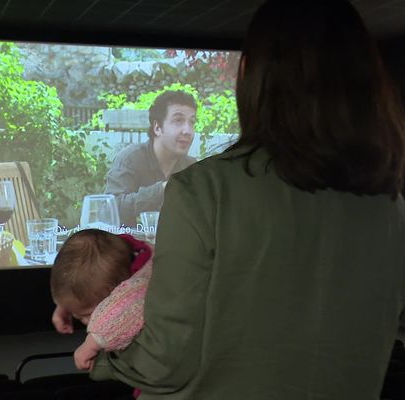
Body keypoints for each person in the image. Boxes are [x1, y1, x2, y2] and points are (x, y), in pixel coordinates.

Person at [88, 1, 405, 399]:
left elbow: (164, 361)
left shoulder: (203, 189)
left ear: (249, 74)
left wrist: (99, 355)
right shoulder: (391, 206)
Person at [50, 229, 152, 374]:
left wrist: (90, 345)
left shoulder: (143, 282)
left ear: (119, 290)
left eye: (86, 315)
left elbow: (123, 311)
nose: (85, 323)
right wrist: (64, 307)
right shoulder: (121, 252)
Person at [104, 90, 197, 227]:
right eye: (178, 120)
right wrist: (163, 189)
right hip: (129, 246)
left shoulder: (192, 167)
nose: (187, 131)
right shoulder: (130, 159)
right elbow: (109, 210)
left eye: (192, 122)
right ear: (157, 127)